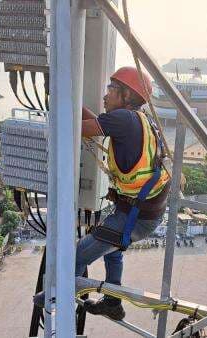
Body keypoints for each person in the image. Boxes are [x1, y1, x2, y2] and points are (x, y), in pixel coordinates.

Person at [34, 67, 171, 320]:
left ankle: (56, 298)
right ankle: (112, 302)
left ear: (127, 95)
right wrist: (69, 100)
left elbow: (77, 127)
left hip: (135, 215)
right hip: (140, 211)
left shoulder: (123, 120)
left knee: (74, 256)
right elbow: (92, 120)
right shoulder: (136, 119)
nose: (106, 95)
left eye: (111, 89)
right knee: (113, 249)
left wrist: (57, 99)